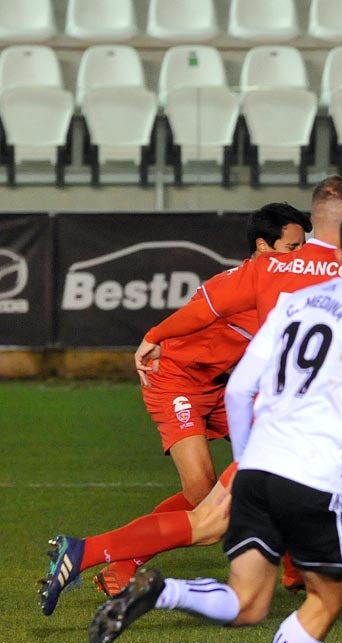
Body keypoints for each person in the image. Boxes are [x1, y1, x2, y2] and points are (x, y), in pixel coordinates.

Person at [40, 178, 342, 622]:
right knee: (211, 520)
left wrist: (153, 334)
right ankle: (107, 559)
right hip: (297, 418)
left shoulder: (269, 267)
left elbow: (207, 307)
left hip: (274, 409)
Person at [88, 206, 342, 643]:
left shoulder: (294, 301)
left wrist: (247, 458)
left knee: (247, 601)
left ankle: (164, 591)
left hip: (258, 468)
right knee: (332, 596)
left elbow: (239, 389)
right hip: (312, 473)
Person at [90, 203, 311, 596]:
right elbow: (196, 313)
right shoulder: (240, 281)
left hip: (226, 388)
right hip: (177, 379)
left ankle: (296, 568)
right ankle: (116, 559)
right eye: (293, 248)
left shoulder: (287, 285)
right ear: (263, 246)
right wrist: (154, 338)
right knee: (201, 493)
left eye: (304, 246)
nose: (302, 257)